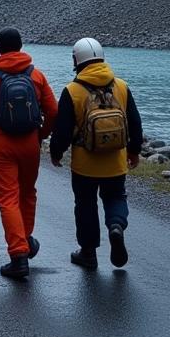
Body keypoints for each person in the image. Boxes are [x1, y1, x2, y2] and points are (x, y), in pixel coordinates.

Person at [0, 27, 58, 279]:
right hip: (30, 143)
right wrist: (41, 135)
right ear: (21, 47)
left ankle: (18, 254)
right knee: (27, 193)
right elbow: (53, 111)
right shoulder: (36, 75)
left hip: (2, 144)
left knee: (7, 199)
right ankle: (25, 241)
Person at [48, 37, 143, 270]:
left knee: (85, 204)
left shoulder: (73, 91)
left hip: (85, 165)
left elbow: (62, 129)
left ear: (76, 61)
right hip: (115, 162)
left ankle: (88, 253)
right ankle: (116, 226)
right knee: (115, 197)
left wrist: (56, 152)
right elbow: (134, 122)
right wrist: (134, 151)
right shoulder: (121, 86)